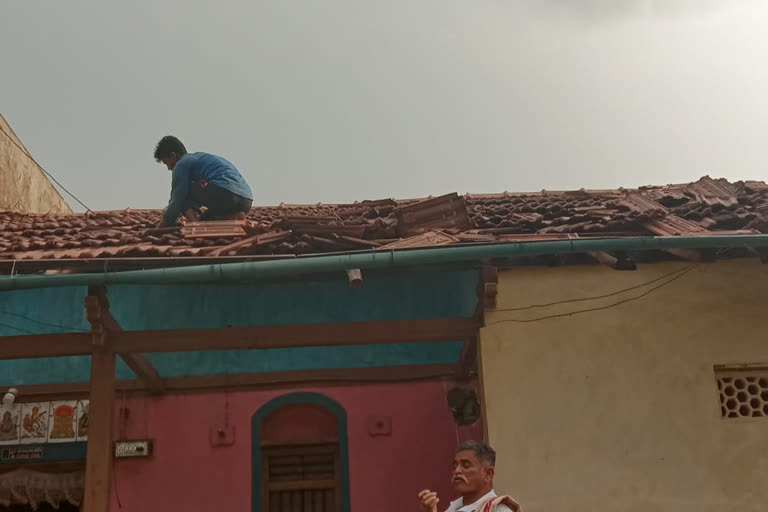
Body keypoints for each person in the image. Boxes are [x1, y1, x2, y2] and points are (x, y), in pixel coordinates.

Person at [153, 135, 254, 227]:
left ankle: (197, 225)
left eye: (166, 163)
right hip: (246, 200)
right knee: (206, 218)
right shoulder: (200, 159)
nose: (169, 168)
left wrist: (162, 225)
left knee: (182, 195)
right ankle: (234, 215)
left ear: (173, 156)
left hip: (225, 193)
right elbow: (200, 195)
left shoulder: (181, 164)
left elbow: (177, 200)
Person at [418, 440, 521, 512]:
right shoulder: (452, 509)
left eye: (466, 465)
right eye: (455, 466)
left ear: (488, 474)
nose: (457, 471)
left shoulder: (498, 510)